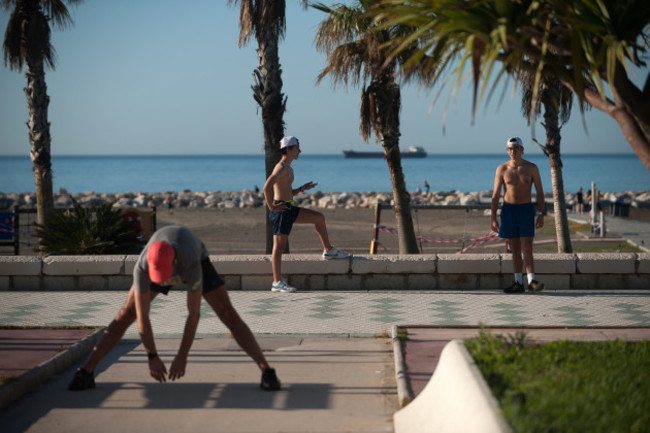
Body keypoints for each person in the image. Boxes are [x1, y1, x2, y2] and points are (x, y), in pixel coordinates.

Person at [68, 225, 281, 391]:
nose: (163, 281)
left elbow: (193, 314)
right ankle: (86, 372)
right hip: (157, 260)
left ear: (174, 263)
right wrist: (152, 356)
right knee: (126, 314)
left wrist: (182, 355)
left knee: (227, 313)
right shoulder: (142, 266)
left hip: (196, 256)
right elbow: (143, 317)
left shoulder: (190, 261)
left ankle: (266, 371)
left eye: (165, 277)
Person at [263, 136, 350, 293]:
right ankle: (277, 282)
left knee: (319, 218)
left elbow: (287, 191)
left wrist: (301, 189)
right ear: (288, 149)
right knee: (279, 246)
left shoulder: (289, 168)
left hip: (289, 209)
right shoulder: (280, 168)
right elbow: (266, 187)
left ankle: (328, 250)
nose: (300, 151)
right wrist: (271, 207)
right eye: (297, 148)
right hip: (281, 211)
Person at [491, 137, 546, 294]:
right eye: (509, 149)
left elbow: (540, 193)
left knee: (527, 247)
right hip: (508, 211)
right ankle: (518, 282)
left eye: (515, 148)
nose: (512, 151)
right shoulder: (502, 169)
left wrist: (541, 214)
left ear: (522, 149)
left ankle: (532, 282)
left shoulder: (531, 168)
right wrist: (493, 217)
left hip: (526, 210)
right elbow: (495, 195)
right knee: (514, 249)